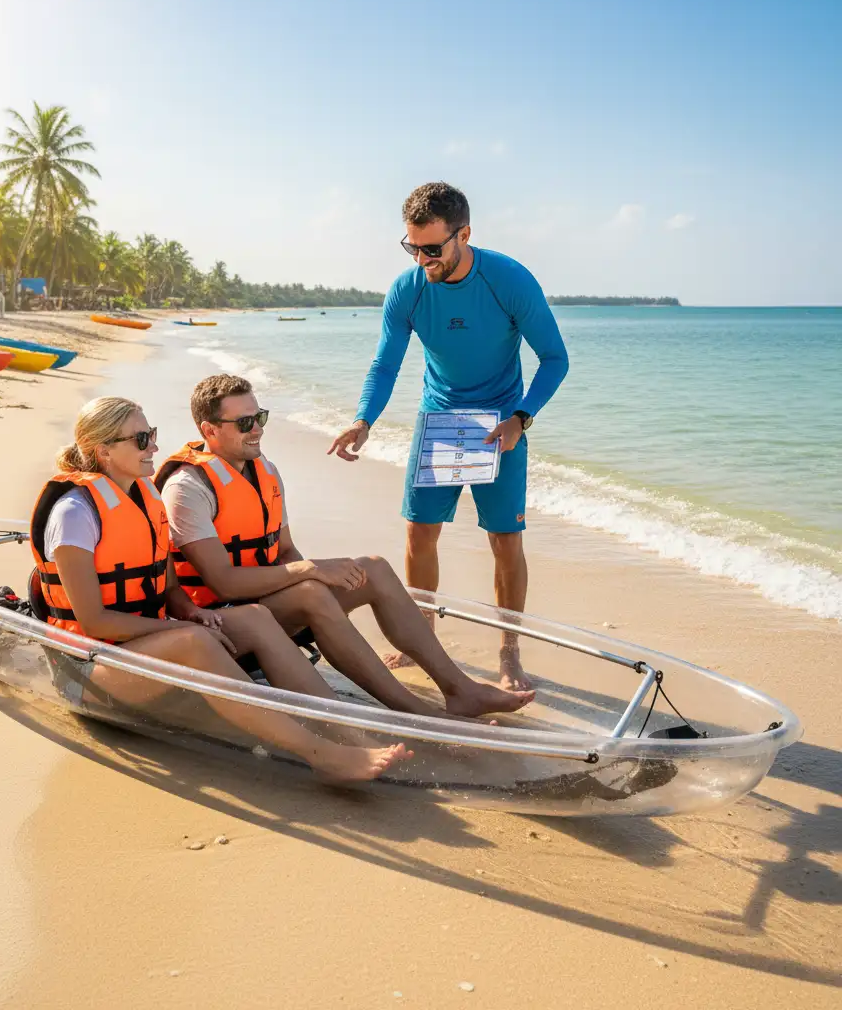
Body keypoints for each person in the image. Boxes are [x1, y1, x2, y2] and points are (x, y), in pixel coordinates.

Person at [29, 395, 408, 782]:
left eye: (152, 435)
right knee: (195, 642)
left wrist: (191, 612)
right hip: (87, 669)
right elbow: (94, 622)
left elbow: (169, 586)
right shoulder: (75, 515)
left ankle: (349, 735)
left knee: (256, 618)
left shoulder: (146, 498)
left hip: (143, 647)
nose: (155, 447)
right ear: (103, 451)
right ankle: (320, 754)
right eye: (141, 439)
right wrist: (183, 629)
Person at [156, 374, 535, 718]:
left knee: (374, 568)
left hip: (270, 604)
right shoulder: (188, 488)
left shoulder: (264, 471)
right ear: (209, 429)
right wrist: (310, 575)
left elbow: (285, 549)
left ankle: (460, 690)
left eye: (261, 418)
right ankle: (417, 712)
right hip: (222, 624)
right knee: (311, 593)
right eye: (244, 423)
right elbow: (223, 584)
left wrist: (316, 580)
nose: (257, 429)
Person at [327, 182, 569, 692]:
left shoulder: (509, 280)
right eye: (411, 246)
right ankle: (420, 639)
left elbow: (555, 358)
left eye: (432, 248)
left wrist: (520, 418)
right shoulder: (408, 288)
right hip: (439, 419)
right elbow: (385, 362)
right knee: (419, 532)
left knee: (505, 541)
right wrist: (363, 419)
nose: (421, 259)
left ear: (464, 235)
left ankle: (509, 651)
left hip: (500, 424)